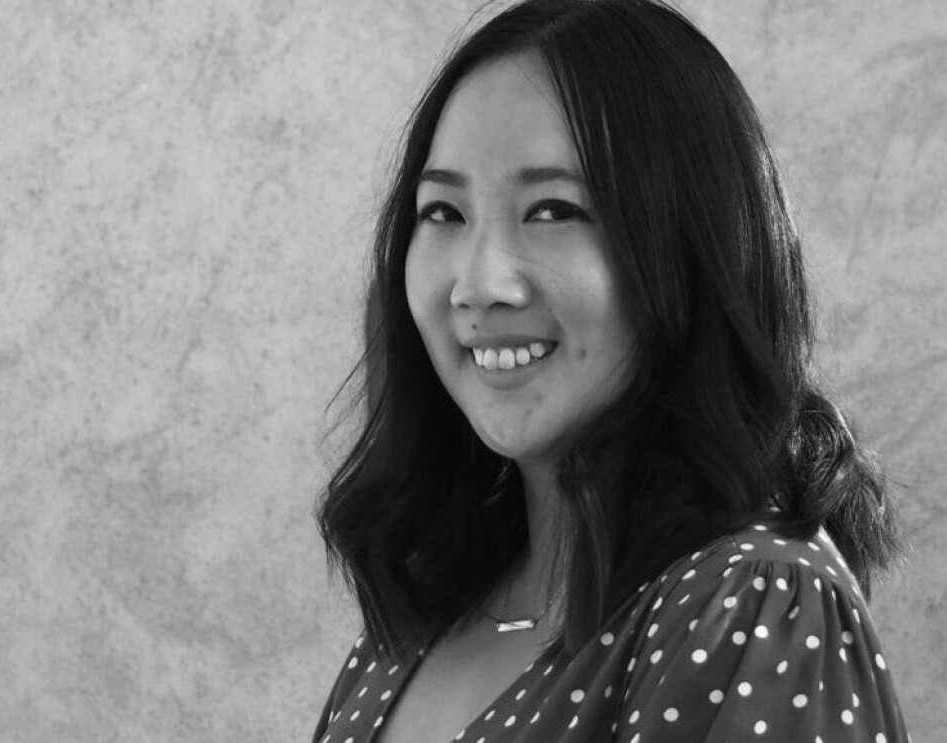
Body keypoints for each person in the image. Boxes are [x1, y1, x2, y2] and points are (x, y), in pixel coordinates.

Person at [312, 0, 909, 740]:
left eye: (553, 210)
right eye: (444, 213)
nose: (479, 283)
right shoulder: (422, 615)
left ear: (692, 247)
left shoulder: (753, 601)